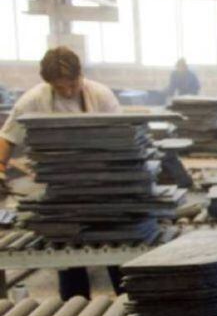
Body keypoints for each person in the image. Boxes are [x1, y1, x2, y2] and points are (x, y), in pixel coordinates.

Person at [0, 46, 124, 299]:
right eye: (60, 87)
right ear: (49, 83)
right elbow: (7, 137)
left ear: (81, 75)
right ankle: (77, 310)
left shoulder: (101, 96)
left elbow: (123, 140)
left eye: (72, 84)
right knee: (69, 259)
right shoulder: (33, 100)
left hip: (104, 191)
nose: (67, 91)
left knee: (118, 253)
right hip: (61, 198)